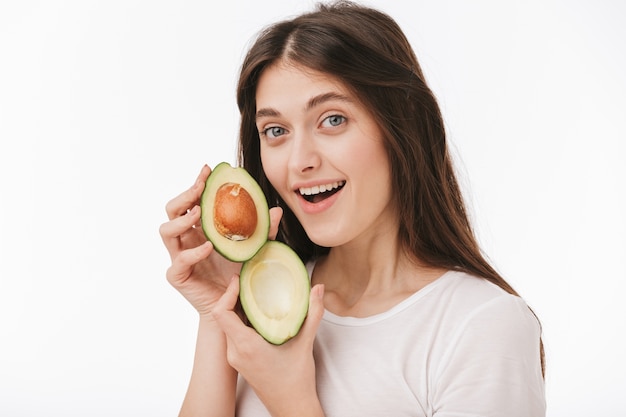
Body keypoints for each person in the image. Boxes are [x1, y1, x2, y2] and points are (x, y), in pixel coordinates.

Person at [159, 1, 546, 416]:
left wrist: (291, 400)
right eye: (275, 131)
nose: (299, 161)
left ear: (402, 124)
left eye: (332, 120)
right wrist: (221, 310)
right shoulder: (262, 298)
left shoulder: (481, 326)